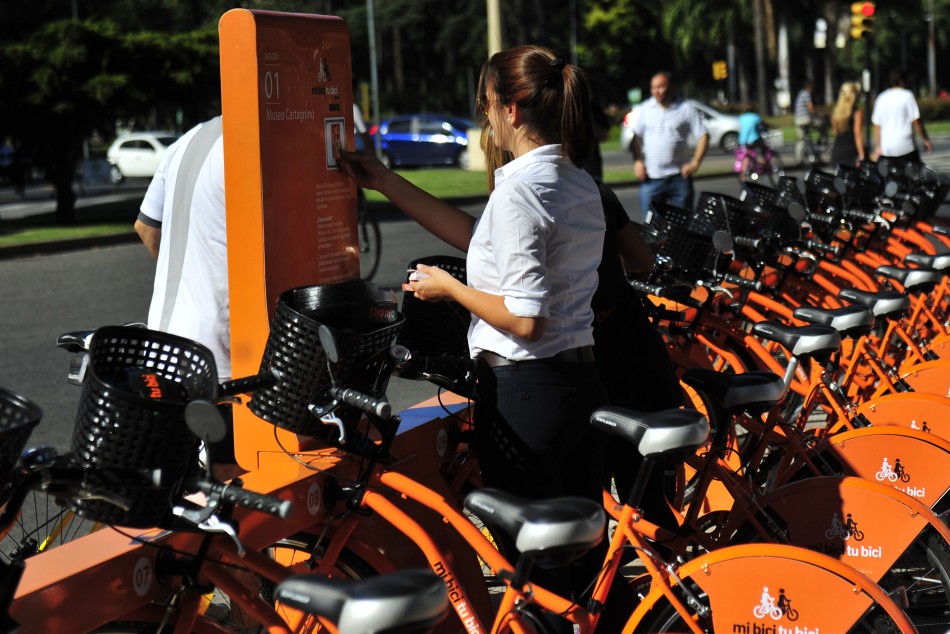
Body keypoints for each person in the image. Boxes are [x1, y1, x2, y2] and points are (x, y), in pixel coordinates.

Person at [340, 45, 609, 632]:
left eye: (486, 105)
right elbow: (481, 239)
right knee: (580, 572)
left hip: (526, 393)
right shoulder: (574, 180)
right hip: (581, 385)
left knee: (536, 582)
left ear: (511, 109)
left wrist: (449, 289)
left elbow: (525, 318)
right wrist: (386, 182)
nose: (485, 118)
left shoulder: (519, 191)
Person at [133, 117, 238, 477]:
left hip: (165, 336)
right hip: (218, 346)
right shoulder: (252, 142)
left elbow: (146, 227)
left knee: (179, 476)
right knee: (230, 476)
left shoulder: (187, 140)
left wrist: (187, 278)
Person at [631, 71, 709, 217]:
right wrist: (638, 162)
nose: (656, 91)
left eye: (660, 87)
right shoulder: (645, 108)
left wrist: (695, 163)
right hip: (651, 178)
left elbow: (703, 135)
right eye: (653, 88)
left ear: (672, 87)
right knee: (650, 224)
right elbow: (636, 138)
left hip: (679, 178)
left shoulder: (685, 108)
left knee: (681, 224)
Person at [872, 71, 933, 163]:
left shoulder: (881, 98)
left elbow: (877, 125)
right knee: (914, 170)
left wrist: (877, 146)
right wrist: (925, 139)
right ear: (902, 81)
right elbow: (916, 121)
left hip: (887, 147)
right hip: (906, 146)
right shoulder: (907, 96)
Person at [830, 81, 866, 167]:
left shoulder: (836, 113)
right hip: (852, 153)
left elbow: (835, 133)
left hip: (837, 152)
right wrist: (862, 155)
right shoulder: (857, 113)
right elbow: (858, 135)